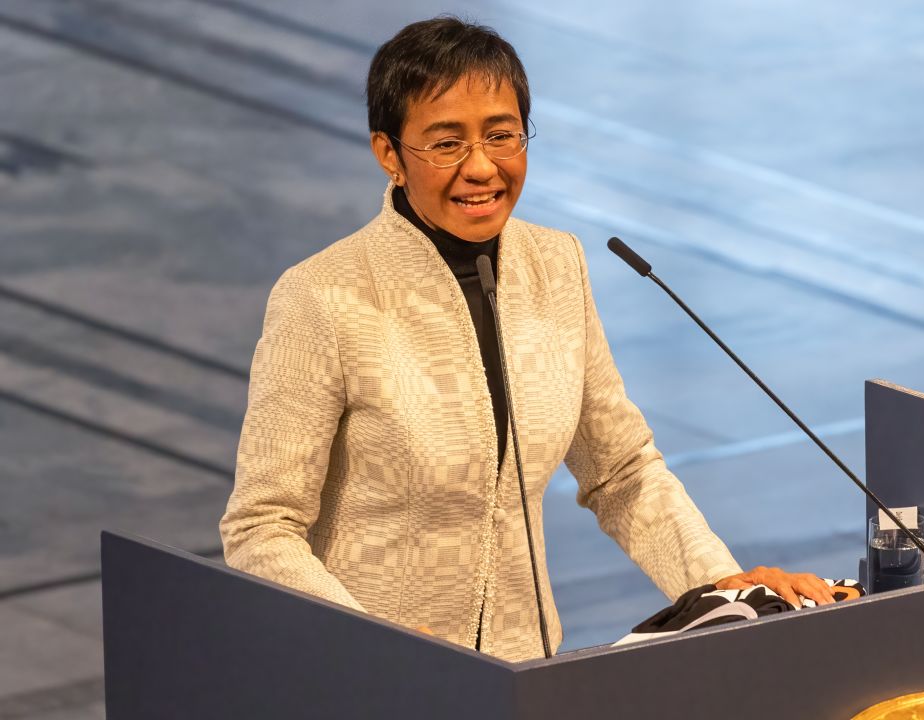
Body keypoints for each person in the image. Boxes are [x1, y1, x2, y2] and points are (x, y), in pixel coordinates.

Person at [219, 16, 838, 663]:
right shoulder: (320, 296)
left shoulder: (556, 264)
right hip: (375, 682)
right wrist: (377, 645)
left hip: (524, 674)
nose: (482, 167)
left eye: (502, 135)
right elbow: (262, 527)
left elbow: (621, 470)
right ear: (388, 153)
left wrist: (720, 587)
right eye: (446, 143)